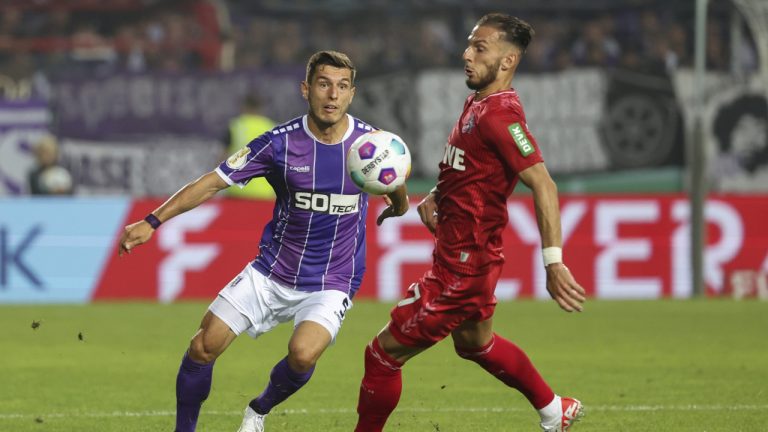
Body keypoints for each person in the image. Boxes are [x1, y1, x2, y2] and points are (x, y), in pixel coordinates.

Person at [118, 50, 408, 432]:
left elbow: (393, 180)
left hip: (332, 279)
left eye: (341, 87)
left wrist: (399, 206)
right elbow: (211, 182)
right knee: (203, 345)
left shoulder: (371, 145)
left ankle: (258, 409)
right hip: (271, 271)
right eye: (324, 84)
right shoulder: (278, 144)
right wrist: (153, 221)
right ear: (307, 89)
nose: (332, 95)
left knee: (303, 355)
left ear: (352, 94)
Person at [354, 13, 586, 432]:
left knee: (381, 355)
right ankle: (554, 411)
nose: (467, 54)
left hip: (463, 268)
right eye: (469, 44)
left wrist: (554, 262)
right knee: (475, 345)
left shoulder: (501, 117)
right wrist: (438, 195)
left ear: (507, 61)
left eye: (480, 48)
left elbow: (543, 184)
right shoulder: (477, 103)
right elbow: (472, 168)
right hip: (465, 259)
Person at [222, 93, 276, 199]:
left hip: (237, 191)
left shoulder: (235, 126)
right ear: (262, 108)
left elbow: (222, 158)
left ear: (244, 106)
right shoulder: (271, 127)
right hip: (265, 193)